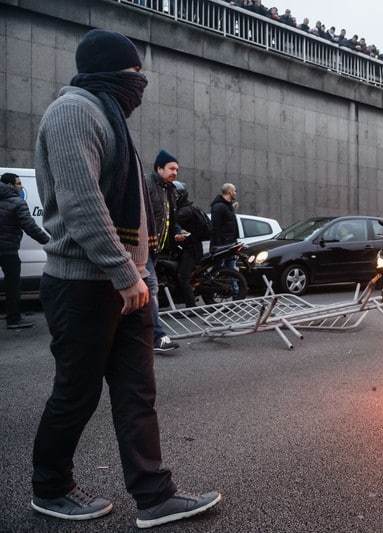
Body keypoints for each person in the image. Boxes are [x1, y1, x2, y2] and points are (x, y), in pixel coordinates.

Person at [30, 29, 220, 527]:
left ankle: (155, 497)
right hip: (85, 284)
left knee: (137, 392)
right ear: (112, 71)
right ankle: (49, 487)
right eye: (135, 73)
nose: (141, 83)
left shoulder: (107, 114)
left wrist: (136, 273)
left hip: (126, 283)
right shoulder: (74, 111)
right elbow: (81, 205)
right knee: (77, 392)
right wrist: (123, 272)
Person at [0, 173, 50, 329]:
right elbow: (30, 227)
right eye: (18, 183)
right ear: (10, 185)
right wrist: (49, 242)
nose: (21, 186)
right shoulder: (17, 203)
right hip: (8, 250)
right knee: (12, 284)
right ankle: (13, 318)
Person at [145, 149, 182, 353]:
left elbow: (167, 218)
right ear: (159, 168)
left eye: (177, 169)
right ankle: (157, 336)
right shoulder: (146, 184)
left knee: (143, 291)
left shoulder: (169, 189)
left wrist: (176, 232)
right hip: (142, 246)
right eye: (171, 168)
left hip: (155, 248)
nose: (175, 172)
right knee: (152, 288)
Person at [173, 182, 209, 308]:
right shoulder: (189, 208)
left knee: (183, 277)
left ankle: (191, 307)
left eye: (173, 195)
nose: (172, 197)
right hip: (192, 247)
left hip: (191, 249)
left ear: (179, 196)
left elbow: (173, 223)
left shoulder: (183, 212)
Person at [210, 183, 239, 275]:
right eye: (234, 191)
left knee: (230, 271)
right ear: (230, 192)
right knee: (221, 271)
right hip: (222, 247)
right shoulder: (219, 207)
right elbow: (215, 227)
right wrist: (218, 247)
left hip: (229, 245)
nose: (235, 193)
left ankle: (232, 288)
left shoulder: (227, 206)